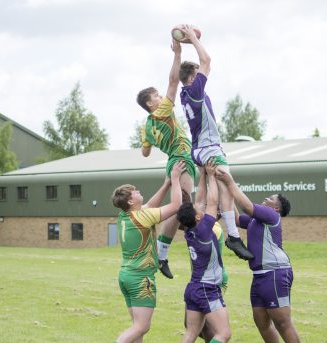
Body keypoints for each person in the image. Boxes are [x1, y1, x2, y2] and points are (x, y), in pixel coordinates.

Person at [178, 24, 253, 261]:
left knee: (212, 190)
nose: (202, 74)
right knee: (227, 188)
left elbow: (181, 75)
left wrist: (178, 52)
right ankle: (233, 234)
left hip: (199, 148)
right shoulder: (195, 90)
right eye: (198, 72)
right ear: (192, 77)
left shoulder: (183, 93)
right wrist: (192, 39)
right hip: (209, 148)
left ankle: (220, 225)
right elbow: (207, 60)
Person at [213, 167, 300, 342]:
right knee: (262, 322)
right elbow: (236, 218)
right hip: (259, 275)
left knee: (282, 322)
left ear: (276, 207)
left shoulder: (271, 216)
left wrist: (230, 181)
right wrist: (224, 188)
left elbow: (246, 206)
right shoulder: (256, 220)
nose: (266, 199)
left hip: (275, 272)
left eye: (270, 198)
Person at [136, 37, 196, 279]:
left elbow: (145, 152)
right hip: (181, 158)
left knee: (181, 207)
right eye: (157, 96)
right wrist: (178, 54)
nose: (162, 97)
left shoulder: (146, 127)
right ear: (151, 103)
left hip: (173, 159)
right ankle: (163, 253)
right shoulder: (160, 112)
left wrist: (154, 139)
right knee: (182, 208)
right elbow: (173, 81)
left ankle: (164, 250)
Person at [112, 162, 185, 343]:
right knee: (142, 326)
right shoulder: (143, 217)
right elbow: (176, 205)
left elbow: (151, 204)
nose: (138, 192)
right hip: (141, 279)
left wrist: (167, 183)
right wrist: (175, 179)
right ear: (130, 201)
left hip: (126, 276)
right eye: (134, 192)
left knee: (138, 329)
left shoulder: (125, 216)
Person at [177, 160, 231, 343]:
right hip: (207, 289)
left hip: (193, 288)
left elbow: (200, 200)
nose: (199, 204)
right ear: (199, 216)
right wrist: (212, 177)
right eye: (198, 208)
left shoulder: (190, 230)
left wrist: (203, 175)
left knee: (191, 334)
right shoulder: (204, 230)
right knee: (223, 334)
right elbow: (212, 202)